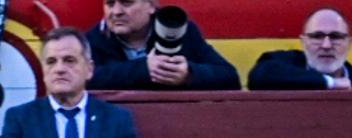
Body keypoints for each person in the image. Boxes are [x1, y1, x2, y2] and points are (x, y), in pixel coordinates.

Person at [2, 27, 138, 138]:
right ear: (43, 70)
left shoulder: (117, 120)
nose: (59, 69)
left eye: (69, 60)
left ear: (89, 69)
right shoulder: (20, 120)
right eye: (51, 62)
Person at [86, 0, 240, 90]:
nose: (116, 11)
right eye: (110, 3)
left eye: (127, 2)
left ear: (152, 6)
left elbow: (230, 77)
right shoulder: (92, 39)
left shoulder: (180, 30)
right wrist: (143, 69)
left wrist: (189, 75)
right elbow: (83, 80)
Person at [248, 8, 352, 90]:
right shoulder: (280, 63)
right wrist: (331, 83)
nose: (326, 45)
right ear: (303, 42)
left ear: (350, 43)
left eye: (336, 37)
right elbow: (260, 76)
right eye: (317, 36)